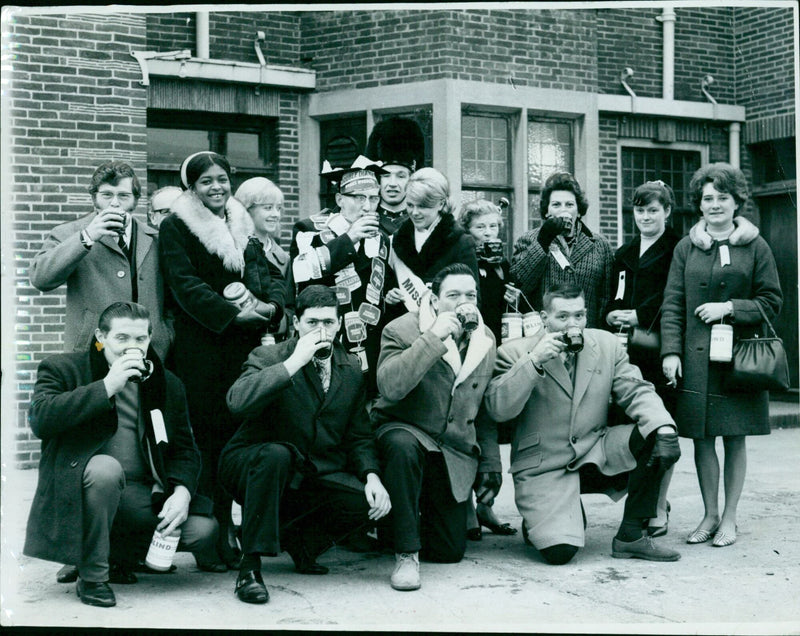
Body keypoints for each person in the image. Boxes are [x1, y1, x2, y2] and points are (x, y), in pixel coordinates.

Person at [23, 302, 217, 608]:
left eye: (140, 339)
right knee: (105, 470)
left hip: (140, 493)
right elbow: (40, 420)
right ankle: (93, 577)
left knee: (204, 531)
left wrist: (182, 492)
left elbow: (184, 448)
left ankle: (117, 554)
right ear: (101, 336)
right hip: (86, 487)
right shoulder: (64, 367)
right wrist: (108, 386)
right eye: (122, 338)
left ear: (150, 338)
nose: (132, 347)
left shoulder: (166, 383)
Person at [485, 284, 682, 565]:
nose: (572, 324)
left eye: (578, 316)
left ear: (587, 316)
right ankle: (549, 519)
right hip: (545, 465)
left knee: (656, 435)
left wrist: (664, 427)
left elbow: (636, 390)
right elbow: (498, 409)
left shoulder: (606, 345)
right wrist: (534, 361)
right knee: (560, 553)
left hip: (595, 451)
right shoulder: (514, 352)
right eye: (563, 317)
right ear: (544, 318)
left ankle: (632, 535)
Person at [221, 285, 391, 604]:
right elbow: (236, 401)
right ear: (296, 323)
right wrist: (294, 362)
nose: (321, 330)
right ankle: (249, 569)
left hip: (310, 472)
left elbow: (359, 435)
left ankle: (300, 541)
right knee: (276, 454)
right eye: (312, 322)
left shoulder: (351, 368)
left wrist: (372, 476)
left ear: (340, 324)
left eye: (328, 322)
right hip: (253, 464)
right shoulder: (269, 356)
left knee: (370, 501)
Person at [159, 151, 286, 569]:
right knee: (206, 439)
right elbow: (185, 285)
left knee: (237, 434)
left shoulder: (240, 221)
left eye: (222, 179)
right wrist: (231, 314)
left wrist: (269, 306)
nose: (216, 187)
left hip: (242, 347)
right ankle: (209, 537)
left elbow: (262, 276)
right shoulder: (176, 226)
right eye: (206, 182)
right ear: (190, 189)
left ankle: (231, 529)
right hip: (202, 348)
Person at [661, 162, 782, 548]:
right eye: (707, 198)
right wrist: (671, 353)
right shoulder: (686, 247)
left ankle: (730, 518)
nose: (714, 205)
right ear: (699, 204)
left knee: (733, 438)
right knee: (701, 438)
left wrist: (729, 308)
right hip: (696, 360)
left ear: (736, 202)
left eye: (722, 198)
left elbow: (772, 301)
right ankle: (709, 514)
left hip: (738, 360)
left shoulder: (755, 245)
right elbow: (673, 304)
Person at [372, 263, 499, 591]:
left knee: (448, 551)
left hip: (451, 450)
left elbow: (481, 410)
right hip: (405, 431)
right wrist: (433, 337)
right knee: (402, 445)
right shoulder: (400, 329)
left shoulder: (485, 338)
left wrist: (490, 464)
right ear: (433, 298)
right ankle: (405, 552)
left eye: (470, 295)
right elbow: (390, 387)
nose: (462, 302)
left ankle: (406, 518)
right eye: (453, 295)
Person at [30, 160, 173, 360]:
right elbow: (40, 278)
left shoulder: (155, 238)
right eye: (107, 195)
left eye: (123, 196)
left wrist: (165, 335)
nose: (115, 203)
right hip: (93, 350)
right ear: (94, 199)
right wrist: (87, 237)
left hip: (150, 351)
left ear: (135, 200)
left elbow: (171, 299)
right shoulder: (68, 233)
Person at [604, 180, 682, 538]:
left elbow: (675, 296)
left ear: (667, 211)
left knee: (660, 428)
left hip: (660, 350)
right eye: (640, 210)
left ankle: (658, 506)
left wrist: (638, 315)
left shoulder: (676, 249)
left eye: (653, 210)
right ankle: (645, 501)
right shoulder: (624, 252)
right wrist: (610, 315)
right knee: (633, 431)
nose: (646, 216)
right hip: (626, 353)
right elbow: (613, 295)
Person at [289, 155, 397, 397]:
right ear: (339, 199)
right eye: (358, 198)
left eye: (373, 198)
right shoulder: (309, 230)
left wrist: (392, 295)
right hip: (326, 336)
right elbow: (302, 278)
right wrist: (350, 238)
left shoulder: (382, 237)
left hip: (368, 342)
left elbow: (383, 287)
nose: (367, 206)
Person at [459, 199, 519, 540]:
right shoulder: (464, 263)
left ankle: (487, 505)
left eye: (494, 227)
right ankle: (466, 508)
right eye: (481, 227)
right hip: (471, 353)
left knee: (490, 430)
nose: (488, 233)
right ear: (468, 230)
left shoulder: (502, 265)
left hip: (496, 353)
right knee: (470, 432)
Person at [511, 172, 613, 328]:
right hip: (543, 335)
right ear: (547, 211)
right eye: (556, 205)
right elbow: (521, 286)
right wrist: (543, 241)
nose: (563, 210)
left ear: (578, 211)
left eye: (569, 205)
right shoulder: (529, 240)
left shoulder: (600, 245)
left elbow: (605, 297)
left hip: (587, 333)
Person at [386, 167, 480, 316]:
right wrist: (390, 296)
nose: (415, 212)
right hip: (403, 327)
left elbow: (472, 299)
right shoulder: (398, 238)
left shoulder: (460, 242)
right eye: (410, 205)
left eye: (423, 206)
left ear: (441, 204)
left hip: (445, 327)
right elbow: (388, 286)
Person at [235, 177, 292, 338]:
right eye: (268, 208)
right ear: (247, 209)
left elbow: (288, 305)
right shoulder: (232, 250)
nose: (276, 214)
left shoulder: (283, 257)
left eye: (279, 208)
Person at [365, 116, 426, 235]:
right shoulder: (360, 218)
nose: (392, 184)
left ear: (411, 178)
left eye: (401, 176)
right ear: (377, 178)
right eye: (386, 176)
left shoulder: (426, 221)